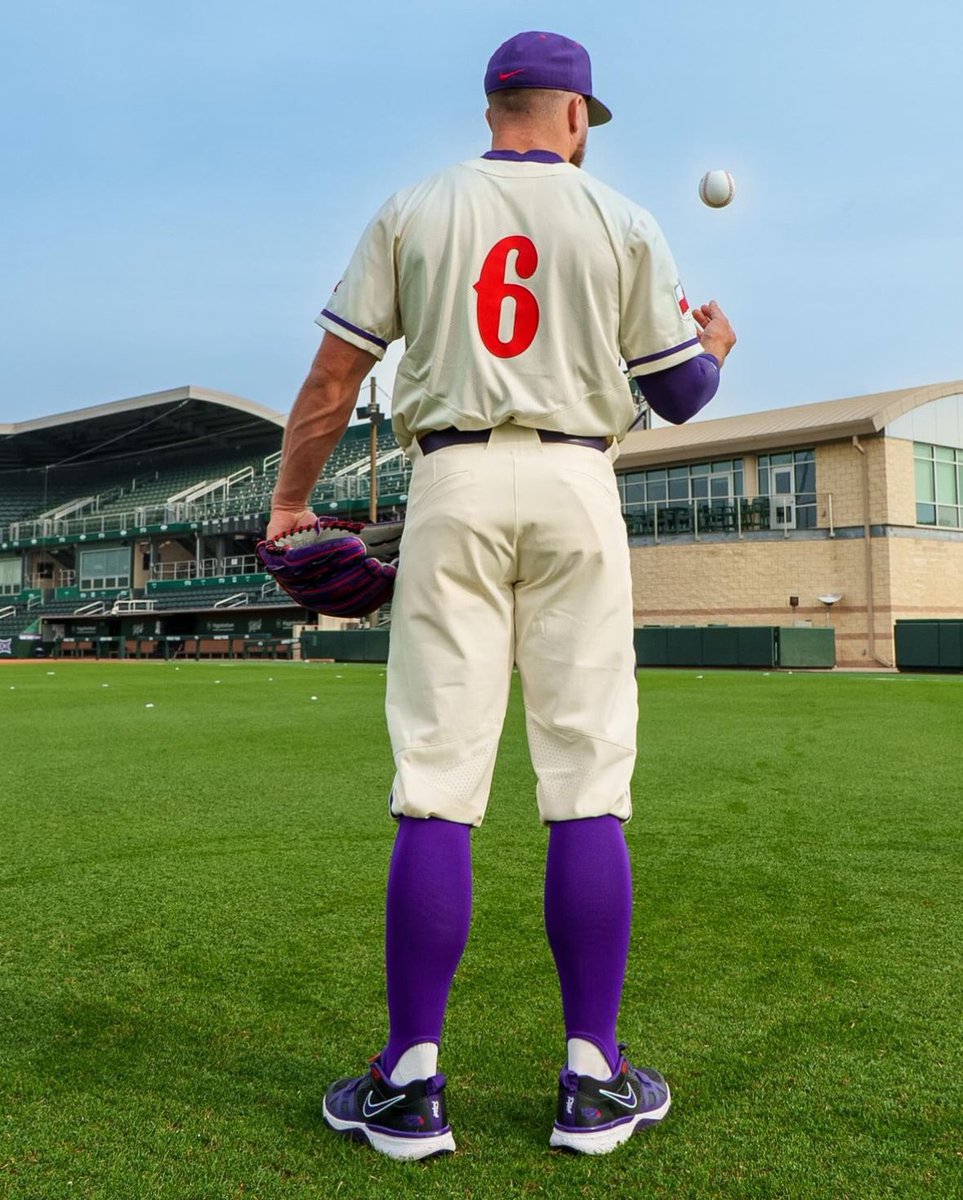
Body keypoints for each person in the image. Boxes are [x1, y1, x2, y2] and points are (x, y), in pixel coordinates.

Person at [268, 30, 736, 1161]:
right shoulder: (622, 218)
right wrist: (715, 342)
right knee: (585, 780)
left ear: (496, 108)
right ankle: (592, 1079)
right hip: (578, 481)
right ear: (573, 114)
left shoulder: (416, 206)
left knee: (437, 784)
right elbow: (679, 394)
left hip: (454, 482)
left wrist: (290, 503)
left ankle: (410, 1086)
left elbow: (336, 377)